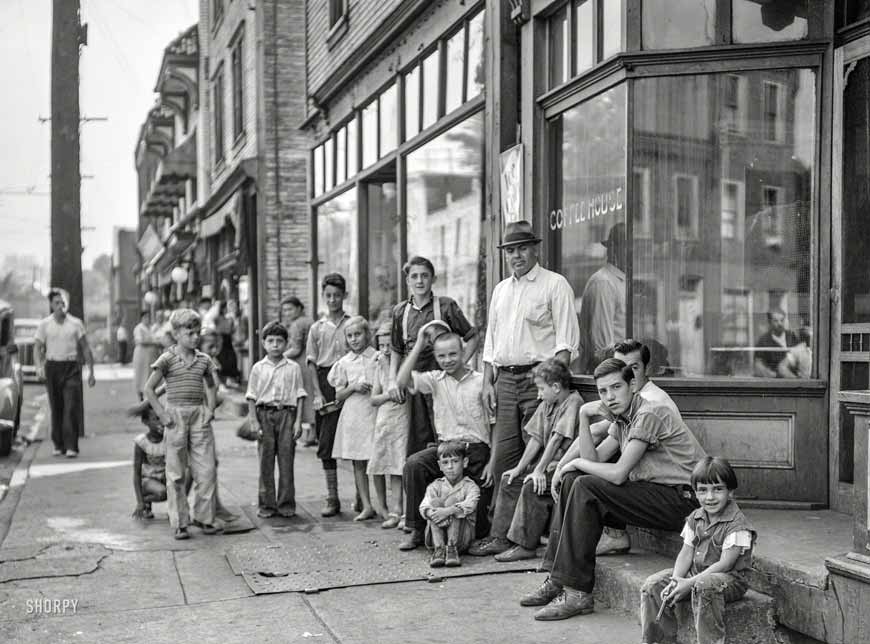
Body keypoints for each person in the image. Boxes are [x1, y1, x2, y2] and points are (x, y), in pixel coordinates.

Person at [521, 358, 707, 621]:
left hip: (687, 502)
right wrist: (585, 416)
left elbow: (618, 474)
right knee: (576, 478)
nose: (609, 397)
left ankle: (577, 593)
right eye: (603, 391)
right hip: (656, 495)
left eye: (616, 387)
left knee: (583, 482)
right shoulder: (623, 419)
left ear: (633, 385)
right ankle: (556, 578)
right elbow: (593, 462)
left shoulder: (649, 413)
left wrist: (572, 461)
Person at [482, 221, 580, 513]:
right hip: (505, 381)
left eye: (522, 248)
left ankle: (534, 533)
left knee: (538, 455)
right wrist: (487, 382)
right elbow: (491, 341)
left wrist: (550, 386)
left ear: (535, 249)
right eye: (510, 250)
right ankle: (502, 533)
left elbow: (566, 344)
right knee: (503, 456)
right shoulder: (501, 290)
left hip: (539, 379)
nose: (517, 256)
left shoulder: (554, 284)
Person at [470, 359, 583, 561]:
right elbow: (536, 439)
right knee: (510, 480)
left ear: (556, 387)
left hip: (566, 468)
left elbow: (557, 438)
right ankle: (501, 538)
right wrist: (519, 468)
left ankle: (525, 545)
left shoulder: (573, 402)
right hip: (549, 467)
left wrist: (538, 470)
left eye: (541, 389)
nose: (538, 394)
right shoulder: (547, 404)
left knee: (532, 485)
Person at [396, 322, 493, 551]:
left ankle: (471, 534)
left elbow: (495, 425)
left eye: (452, 354)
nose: (447, 360)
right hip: (446, 448)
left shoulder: (480, 382)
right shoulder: (435, 380)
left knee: (476, 527)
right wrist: (420, 342)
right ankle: (416, 529)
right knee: (414, 464)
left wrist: (493, 462)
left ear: (463, 352)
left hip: (477, 451)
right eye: (441, 356)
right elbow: (401, 380)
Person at [640, 457, 755, 644]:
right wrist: (677, 580)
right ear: (695, 493)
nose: (710, 497)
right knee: (652, 585)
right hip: (696, 574)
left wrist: (690, 582)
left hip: (728, 580)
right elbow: (686, 552)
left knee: (705, 586)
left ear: (730, 492)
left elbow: (725, 564)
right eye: (703, 490)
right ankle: (658, 640)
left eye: (718, 489)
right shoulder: (696, 517)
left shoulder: (737, 525)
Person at [388, 256, 478, 456]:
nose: (419, 281)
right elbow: (396, 349)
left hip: (442, 379)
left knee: (446, 435)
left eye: (424, 276)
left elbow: (472, 337)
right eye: (414, 277)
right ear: (407, 281)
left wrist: (459, 366)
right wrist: (392, 381)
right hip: (414, 382)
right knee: (417, 439)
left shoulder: (446, 306)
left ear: (433, 279)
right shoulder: (400, 311)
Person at [144, 309, 220, 540]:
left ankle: (204, 517)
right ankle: (179, 522)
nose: (195, 337)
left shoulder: (204, 360)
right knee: (176, 472)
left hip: (198, 414)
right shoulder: (167, 359)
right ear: (176, 334)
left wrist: (210, 408)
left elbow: (211, 385)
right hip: (175, 414)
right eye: (189, 333)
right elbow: (149, 390)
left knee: (206, 469)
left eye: (198, 333)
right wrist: (162, 414)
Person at [246, 321, 307, 519]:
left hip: (287, 415)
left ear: (286, 343)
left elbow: (300, 395)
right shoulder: (258, 368)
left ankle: (286, 504)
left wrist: (298, 421)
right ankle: (266, 505)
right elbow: (251, 396)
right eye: (270, 341)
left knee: (286, 460)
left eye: (279, 341)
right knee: (265, 461)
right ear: (263, 343)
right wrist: (254, 421)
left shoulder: (293, 367)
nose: (275, 345)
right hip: (264, 414)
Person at [306, 273, 352, 517]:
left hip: (349, 380)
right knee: (326, 442)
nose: (333, 300)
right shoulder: (317, 328)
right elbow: (312, 363)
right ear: (323, 297)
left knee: (356, 439)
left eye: (337, 295)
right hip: (325, 383)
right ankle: (332, 497)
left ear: (344, 296)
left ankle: (360, 498)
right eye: (328, 296)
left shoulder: (352, 324)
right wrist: (317, 393)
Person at [34, 289, 96, 458]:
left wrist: (91, 372)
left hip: (72, 367)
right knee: (56, 407)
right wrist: (39, 367)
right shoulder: (45, 324)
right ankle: (58, 444)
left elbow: (85, 347)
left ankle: (71, 446)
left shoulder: (76, 323)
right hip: (53, 366)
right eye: (57, 303)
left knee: (70, 406)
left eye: (63, 302)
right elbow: (37, 347)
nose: (60, 306)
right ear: (51, 305)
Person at [329, 316, 379, 521]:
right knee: (358, 461)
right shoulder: (344, 363)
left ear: (367, 334)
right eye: (350, 336)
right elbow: (338, 395)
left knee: (377, 458)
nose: (354, 339)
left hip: (374, 411)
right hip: (354, 414)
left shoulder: (377, 357)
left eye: (358, 334)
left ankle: (384, 505)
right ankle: (367, 505)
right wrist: (353, 387)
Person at [368, 320, 409, 529]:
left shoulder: (402, 366)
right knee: (386, 464)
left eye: (388, 346)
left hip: (402, 418)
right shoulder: (379, 366)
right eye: (381, 345)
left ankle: (403, 511)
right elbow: (374, 399)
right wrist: (388, 395)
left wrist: (388, 369)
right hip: (384, 420)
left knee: (400, 463)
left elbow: (401, 394)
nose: (384, 350)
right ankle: (393, 510)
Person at [419, 440, 481, 568]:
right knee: (434, 504)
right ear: (440, 465)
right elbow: (423, 506)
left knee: (454, 505)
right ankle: (439, 549)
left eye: (455, 461)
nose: (450, 467)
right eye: (445, 463)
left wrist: (447, 511)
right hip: (436, 536)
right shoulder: (435, 486)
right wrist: (435, 513)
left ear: (465, 462)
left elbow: (470, 505)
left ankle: (451, 549)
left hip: (462, 539)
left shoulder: (471, 487)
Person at [577, 223, 627, 374]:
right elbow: (603, 347)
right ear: (613, 249)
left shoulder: (621, 281)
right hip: (610, 374)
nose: (633, 252)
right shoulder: (604, 283)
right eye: (627, 247)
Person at [281, 296, 316, 446]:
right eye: (285, 310)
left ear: (299, 308)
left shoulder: (297, 324)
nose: (287, 313)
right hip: (312, 363)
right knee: (311, 397)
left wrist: (278, 356)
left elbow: (295, 349)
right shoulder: (309, 321)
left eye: (290, 309)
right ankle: (312, 433)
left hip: (301, 365)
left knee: (303, 398)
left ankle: (307, 434)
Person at [129, 400, 169, 520]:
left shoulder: (168, 438)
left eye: (162, 417)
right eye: (156, 419)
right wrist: (139, 500)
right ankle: (144, 502)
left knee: (184, 476)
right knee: (163, 492)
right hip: (148, 480)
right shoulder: (142, 443)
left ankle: (175, 506)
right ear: (145, 422)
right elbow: (136, 473)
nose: (161, 422)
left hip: (164, 477)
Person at [753, 308, 797, 378]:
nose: (780, 324)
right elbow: (758, 366)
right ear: (770, 322)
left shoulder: (792, 337)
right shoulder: (763, 341)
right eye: (776, 321)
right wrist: (775, 376)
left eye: (782, 320)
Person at [132, 310, 161, 400]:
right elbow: (140, 341)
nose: (147, 319)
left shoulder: (150, 328)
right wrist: (154, 342)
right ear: (142, 318)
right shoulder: (139, 328)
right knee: (141, 374)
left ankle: (149, 397)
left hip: (150, 356)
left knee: (149, 374)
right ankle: (140, 395)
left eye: (148, 317)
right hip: (141, 354)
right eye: (145, 317)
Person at [214, 301, 240, 384]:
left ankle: (228, 379)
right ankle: (222, 380)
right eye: (225, 308)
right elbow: (219, 329)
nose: (226, 310)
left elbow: (232, 330)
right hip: (221, 339)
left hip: (228, 340)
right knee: (222, 359)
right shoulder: (218, 318)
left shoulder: (229, 318)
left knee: (231, 359)